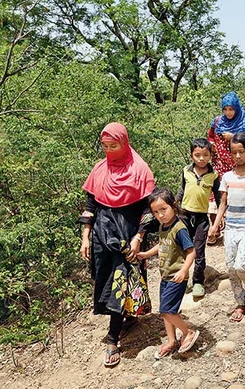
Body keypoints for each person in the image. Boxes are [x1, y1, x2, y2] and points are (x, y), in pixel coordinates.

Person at [79, 122, 157, 368]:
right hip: (102, 233)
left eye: (114, 145)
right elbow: (91, 205)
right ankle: (129, 317)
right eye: (105, 146)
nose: (109, 150)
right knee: (105, 277)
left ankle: (112, 339)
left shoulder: (139, 169)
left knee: (121, 280)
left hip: (128, 233)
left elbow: (148, 209)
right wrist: (85, 235)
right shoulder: (100, 169)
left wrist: (139, 237)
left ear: (125, 143)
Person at [208, 132, 245, 322]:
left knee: (241, 264)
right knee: (231, 269)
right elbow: (222, 203)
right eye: (234, 152)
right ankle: (240, 304)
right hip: (230, 228)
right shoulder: (226, 177)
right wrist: (215, 226)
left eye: (241, 152)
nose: (238, 156)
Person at [136, 189, 200, 359]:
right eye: (156, 212)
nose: (160, 215)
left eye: (163, 209)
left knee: (166, 310)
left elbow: (191, 251)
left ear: (173, 205)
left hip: (176, 276)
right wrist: (147, 253)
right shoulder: (163, 226)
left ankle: (188, 332)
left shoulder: (179, 228)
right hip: (165, 276)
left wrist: (184, 270)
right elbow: (162, 244)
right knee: (166, 309)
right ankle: (172, 341)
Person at [175, 138, 221, 298]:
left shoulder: (214, 175)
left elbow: (218, 197)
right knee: (181, 248)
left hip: (201, 217)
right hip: (184, 215)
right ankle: (180, 278)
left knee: (199, 250)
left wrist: (220, 218)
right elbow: (182, 189)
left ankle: (198, 282)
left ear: (210, 155)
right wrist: (174, 203)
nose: (201, 158)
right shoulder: (186, 171)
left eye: (205, 155)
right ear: (191, 155)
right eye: (197, 155)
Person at [207, 91, 245, 175]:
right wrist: (211, 143)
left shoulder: (243, 123)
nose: (227, 112)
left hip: (237, 163)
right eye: (225, 109)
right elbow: (210, 136)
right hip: (218, 165)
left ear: (236, 108)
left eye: (231, 109)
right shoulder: (217, 121)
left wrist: (233, 136)